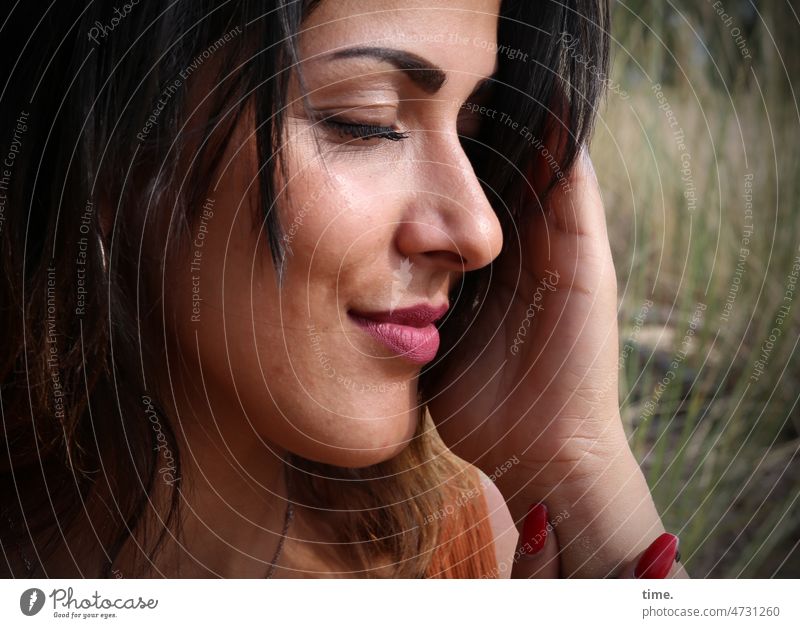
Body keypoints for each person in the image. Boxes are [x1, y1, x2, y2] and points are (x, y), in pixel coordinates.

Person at [0, 0, 687, 578]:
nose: (480, 231)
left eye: (474, 135)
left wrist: (575, 465)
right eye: (364, 121)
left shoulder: (469, 546)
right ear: (116, 153)